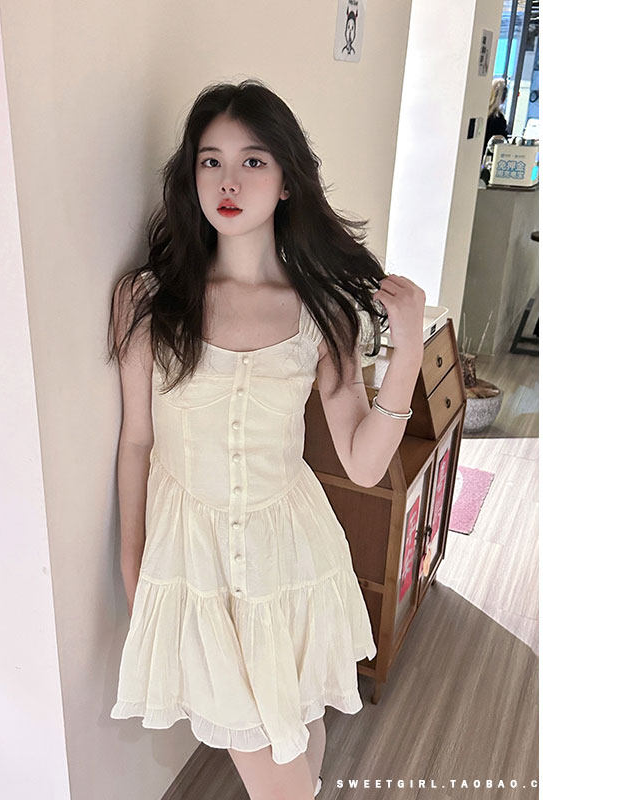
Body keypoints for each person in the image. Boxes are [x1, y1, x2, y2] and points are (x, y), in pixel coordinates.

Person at [106, 79, 425, 800]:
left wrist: (406, 356)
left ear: (285, 181)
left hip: (292, 556)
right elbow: (136, 443)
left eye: (253, 161)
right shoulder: (149, 301)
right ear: (191, 177)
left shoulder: (321, 312)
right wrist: (134, 572)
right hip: (193, 564)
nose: (229, 180)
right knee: (279, 752)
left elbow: (364, 463)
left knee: (297, 731)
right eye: (211, 160)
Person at [482, 77, 510, 163]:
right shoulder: (499, 119)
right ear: (503, 99)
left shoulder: (480, 113)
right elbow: (501, 144)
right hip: (487, 160)